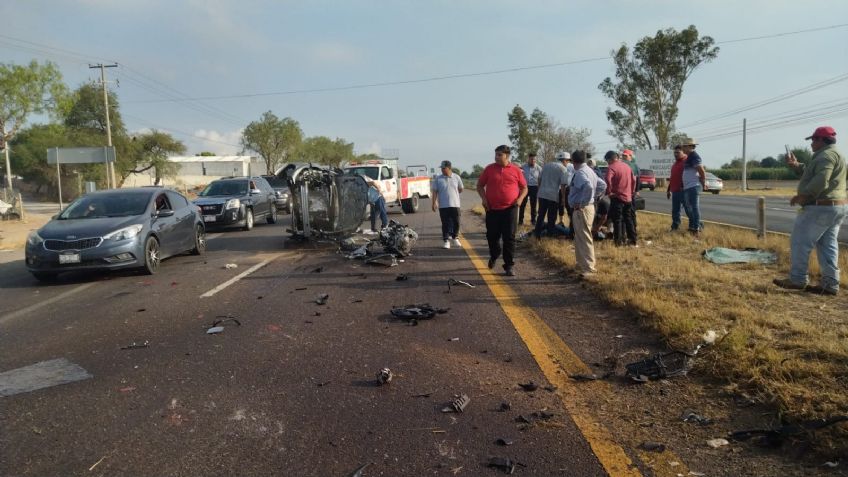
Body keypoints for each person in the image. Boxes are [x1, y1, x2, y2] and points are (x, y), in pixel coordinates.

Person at [774, 126, 846, 296]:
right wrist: (795, 165)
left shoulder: (825, 156)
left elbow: (822, 179)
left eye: (813, 140)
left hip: (819, 206)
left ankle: (798, 279)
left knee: (800, 242)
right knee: (828, 245)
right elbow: (813, 172)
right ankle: (830, 284)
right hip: (836, 206)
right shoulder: (836, 154)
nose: (811, 144)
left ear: (822, 140)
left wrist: (804, 196)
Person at [477, 145, 528, 276]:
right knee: (492, 236)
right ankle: (494, 255)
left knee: (509, 238)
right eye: (495, 155)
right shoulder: (489, 169)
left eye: (499, 155)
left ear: (507, 156)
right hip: (492, 209)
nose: (496, 157)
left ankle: (509, 265)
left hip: (510, 209)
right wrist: (484, 199)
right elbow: (480, 185)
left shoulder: (516, 170)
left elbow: (524, 188)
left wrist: (520, 199)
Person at [568, 150, 607, 276]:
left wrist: (583, 202)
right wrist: (594, 198)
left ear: (573, 161)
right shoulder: (590, 170)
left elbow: (588, 187)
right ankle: (581, 264)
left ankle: (589, 267)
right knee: (579, 237)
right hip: (587, 208)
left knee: (584, 237)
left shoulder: (580, 173)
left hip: (582, 209)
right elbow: (602, 185)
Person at [534, 151, 571, 238]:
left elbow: (539, 179)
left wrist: (539, 191)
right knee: (552, 217)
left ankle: (537, 234)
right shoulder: (563, 169)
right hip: (553, 196)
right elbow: (563, 185)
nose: (568, 163)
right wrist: (563, 199)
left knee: (541, 215)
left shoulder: (547, 165)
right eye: (568, 161)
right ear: (565, 160)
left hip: (542, 194)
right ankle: (549, 235)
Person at [604, 150, 637, 246]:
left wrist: (609, 192)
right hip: (628, 197)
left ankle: (618, 242)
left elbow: (607, 179)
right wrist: (631, 192)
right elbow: (634, 180)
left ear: (610, 159)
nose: (607, 163)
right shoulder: (627, 166)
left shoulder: (611, 167)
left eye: (607, 161)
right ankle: (633, 240)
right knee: (628, 219)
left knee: (617, 220)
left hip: (617, 197)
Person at [431, 160, 464, 249]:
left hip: (455, 204)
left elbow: (460, 189)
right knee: (445, 223)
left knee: (456, 222)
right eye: (441, 168)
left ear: (449, 168)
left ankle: (455, 237)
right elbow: (434, 192)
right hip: (443, 205)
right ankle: (446, 240)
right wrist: (434, 203)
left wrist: (454, 194)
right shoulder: (438, 178)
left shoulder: (456, 177)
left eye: (443, 168)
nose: (442, 170)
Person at [680, 138, 706, 237]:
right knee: (688, 207)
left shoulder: (695, 156)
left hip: (694, 186)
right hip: (688, 187)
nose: (683, 148)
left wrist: (703, 181)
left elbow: (701, 170)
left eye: (685, 146)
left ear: (690, 147)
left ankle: (696, 228)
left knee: (694, 207)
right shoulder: (689, 157)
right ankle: (697, 224)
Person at [667, 145, 689, 231]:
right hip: (675, 191)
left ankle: (696, 226)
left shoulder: (687, 162)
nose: (675, 154)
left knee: (689, 211)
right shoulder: (675, 164)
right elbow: (672, 178)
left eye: (678, 152)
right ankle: (675, 227)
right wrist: (669, 190)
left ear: (683, 152)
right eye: (674, 153)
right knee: (675, 211)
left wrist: (684, 187)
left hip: (685, 191)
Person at [519, 153, 542, 225]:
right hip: (525, 187)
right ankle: (520, 220)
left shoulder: (539, 168)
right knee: (522, 204)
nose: (533, 160)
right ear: (528, 159)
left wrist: (540, 188)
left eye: (534, 159)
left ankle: (533, 220)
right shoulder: (523, 167)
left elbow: (540, 179)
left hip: (534, 187)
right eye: (531, 159)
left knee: (533, 205)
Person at [621, 149, 640, 232]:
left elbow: (638, 179)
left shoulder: (634, 166)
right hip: (622, 193)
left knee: (631, 212)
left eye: (626, 156)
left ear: (631, 157)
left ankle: (633, 229)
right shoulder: (621, 165)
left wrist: (636, 190)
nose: (624, 157)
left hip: (630, 193)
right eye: (623, 156)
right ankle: (623, 230)